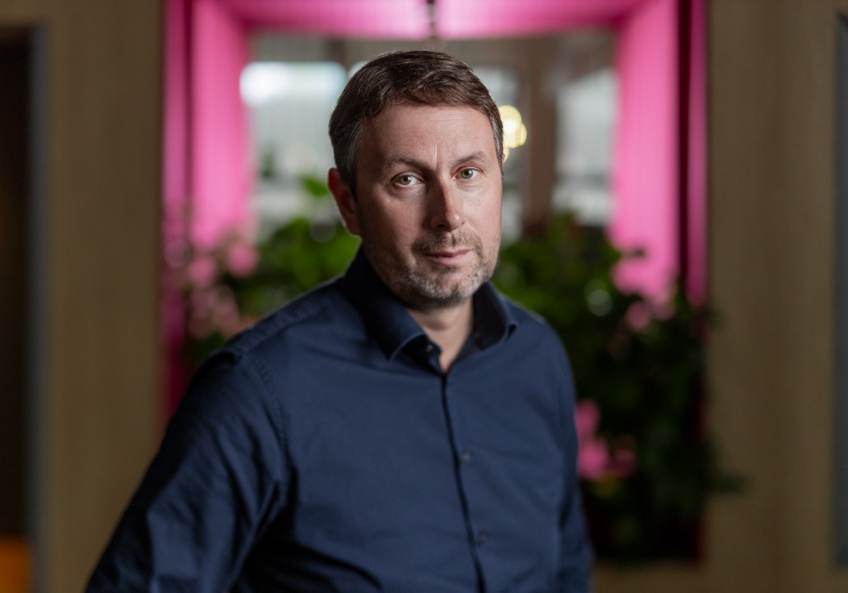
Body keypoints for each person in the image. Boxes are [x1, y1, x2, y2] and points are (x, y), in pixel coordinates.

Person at [87, 50, 593, 593]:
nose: (448, 215)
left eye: (468, 173)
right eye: (407, 179)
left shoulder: (537, 357)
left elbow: (565, 569)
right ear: (348, 202)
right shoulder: (258, 391)